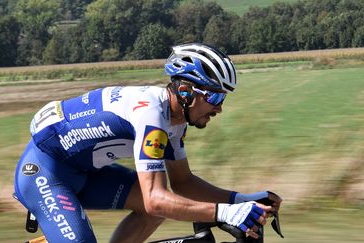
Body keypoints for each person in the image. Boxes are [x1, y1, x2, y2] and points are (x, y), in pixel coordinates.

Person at [14, 43, 282, 243]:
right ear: (186, 92)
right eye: (214, 98)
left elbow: (183, 183)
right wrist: (225, 213)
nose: (219, 109)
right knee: (158, 204)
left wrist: (240, 200)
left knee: (160, 209)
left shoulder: (174, 122)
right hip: (45, 173)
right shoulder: (151, 114)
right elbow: (155, 199)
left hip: (84, 172)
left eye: (222, 100)